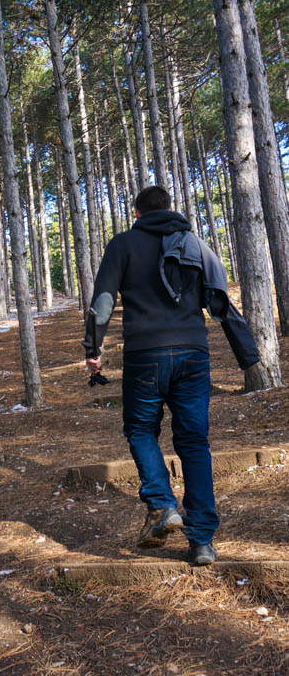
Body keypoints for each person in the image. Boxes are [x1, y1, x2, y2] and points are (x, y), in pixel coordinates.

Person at [82, 185, 259, 566]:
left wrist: (93, 351)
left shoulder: (123, 244)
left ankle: (162, 505)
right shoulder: (195, 244)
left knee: (142, 430)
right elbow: (220, 302)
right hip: (193, 355)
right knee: (194, 444)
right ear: (169, 208)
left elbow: (102, 304)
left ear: (137, 212)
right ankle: (202, 542)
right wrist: (247, 355)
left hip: (145, 355)